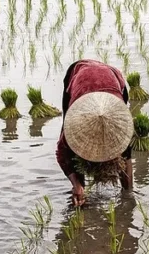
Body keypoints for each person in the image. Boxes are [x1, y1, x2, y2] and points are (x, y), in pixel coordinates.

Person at [57, 60, 134, 208]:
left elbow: (126, 155)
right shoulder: (74, 123)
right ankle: (80, 191)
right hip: (80, 75)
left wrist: (128, 196)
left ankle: (126, 190)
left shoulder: (122, 124)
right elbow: (62, 153)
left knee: (123, 148)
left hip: (112, 77)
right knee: (72, 149)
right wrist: (76, 184)